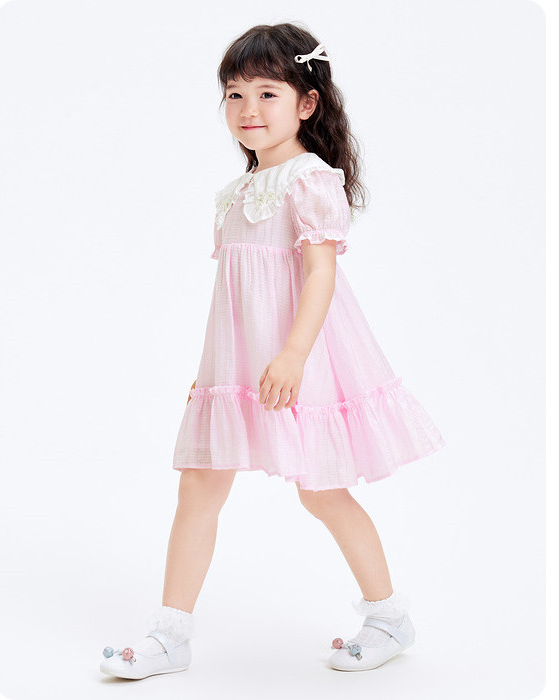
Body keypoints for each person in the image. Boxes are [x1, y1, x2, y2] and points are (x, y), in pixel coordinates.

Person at [99, 22, 445, 680]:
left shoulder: (309, 180)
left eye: (267, 93)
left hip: (299, 359)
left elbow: (319, 276)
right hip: (237, 367)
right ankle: (170, 633)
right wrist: (211, 372)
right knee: (199, 485)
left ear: (306, 103)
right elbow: (233, 298)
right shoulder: (237, 190)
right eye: (234, 94)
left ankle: (388, 617)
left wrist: (292, 356)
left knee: (323, 491)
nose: (248, 109)